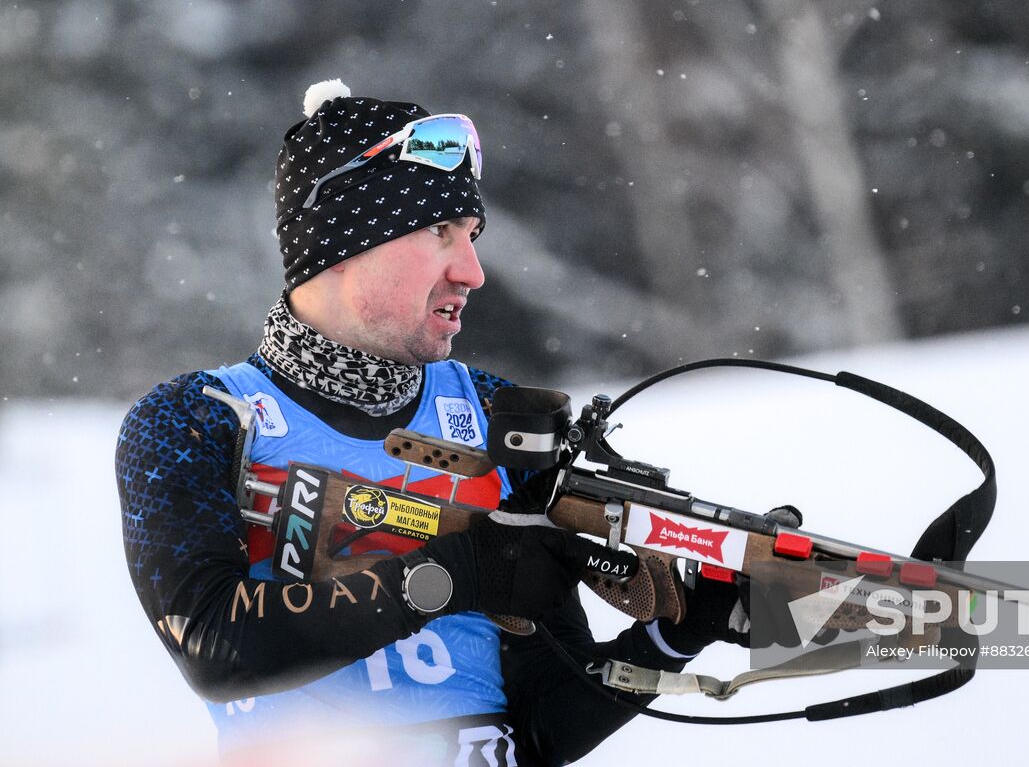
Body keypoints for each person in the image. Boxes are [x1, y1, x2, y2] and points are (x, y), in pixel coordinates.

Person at [115, 80, 750, 766]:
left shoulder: (491, 413)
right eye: (440, 234)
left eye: (472, 236)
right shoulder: (198, 420)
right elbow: (213, 647)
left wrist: (676, 635)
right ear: (342, 244)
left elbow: (538, 728)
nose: (473, 271)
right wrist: (454, 571)